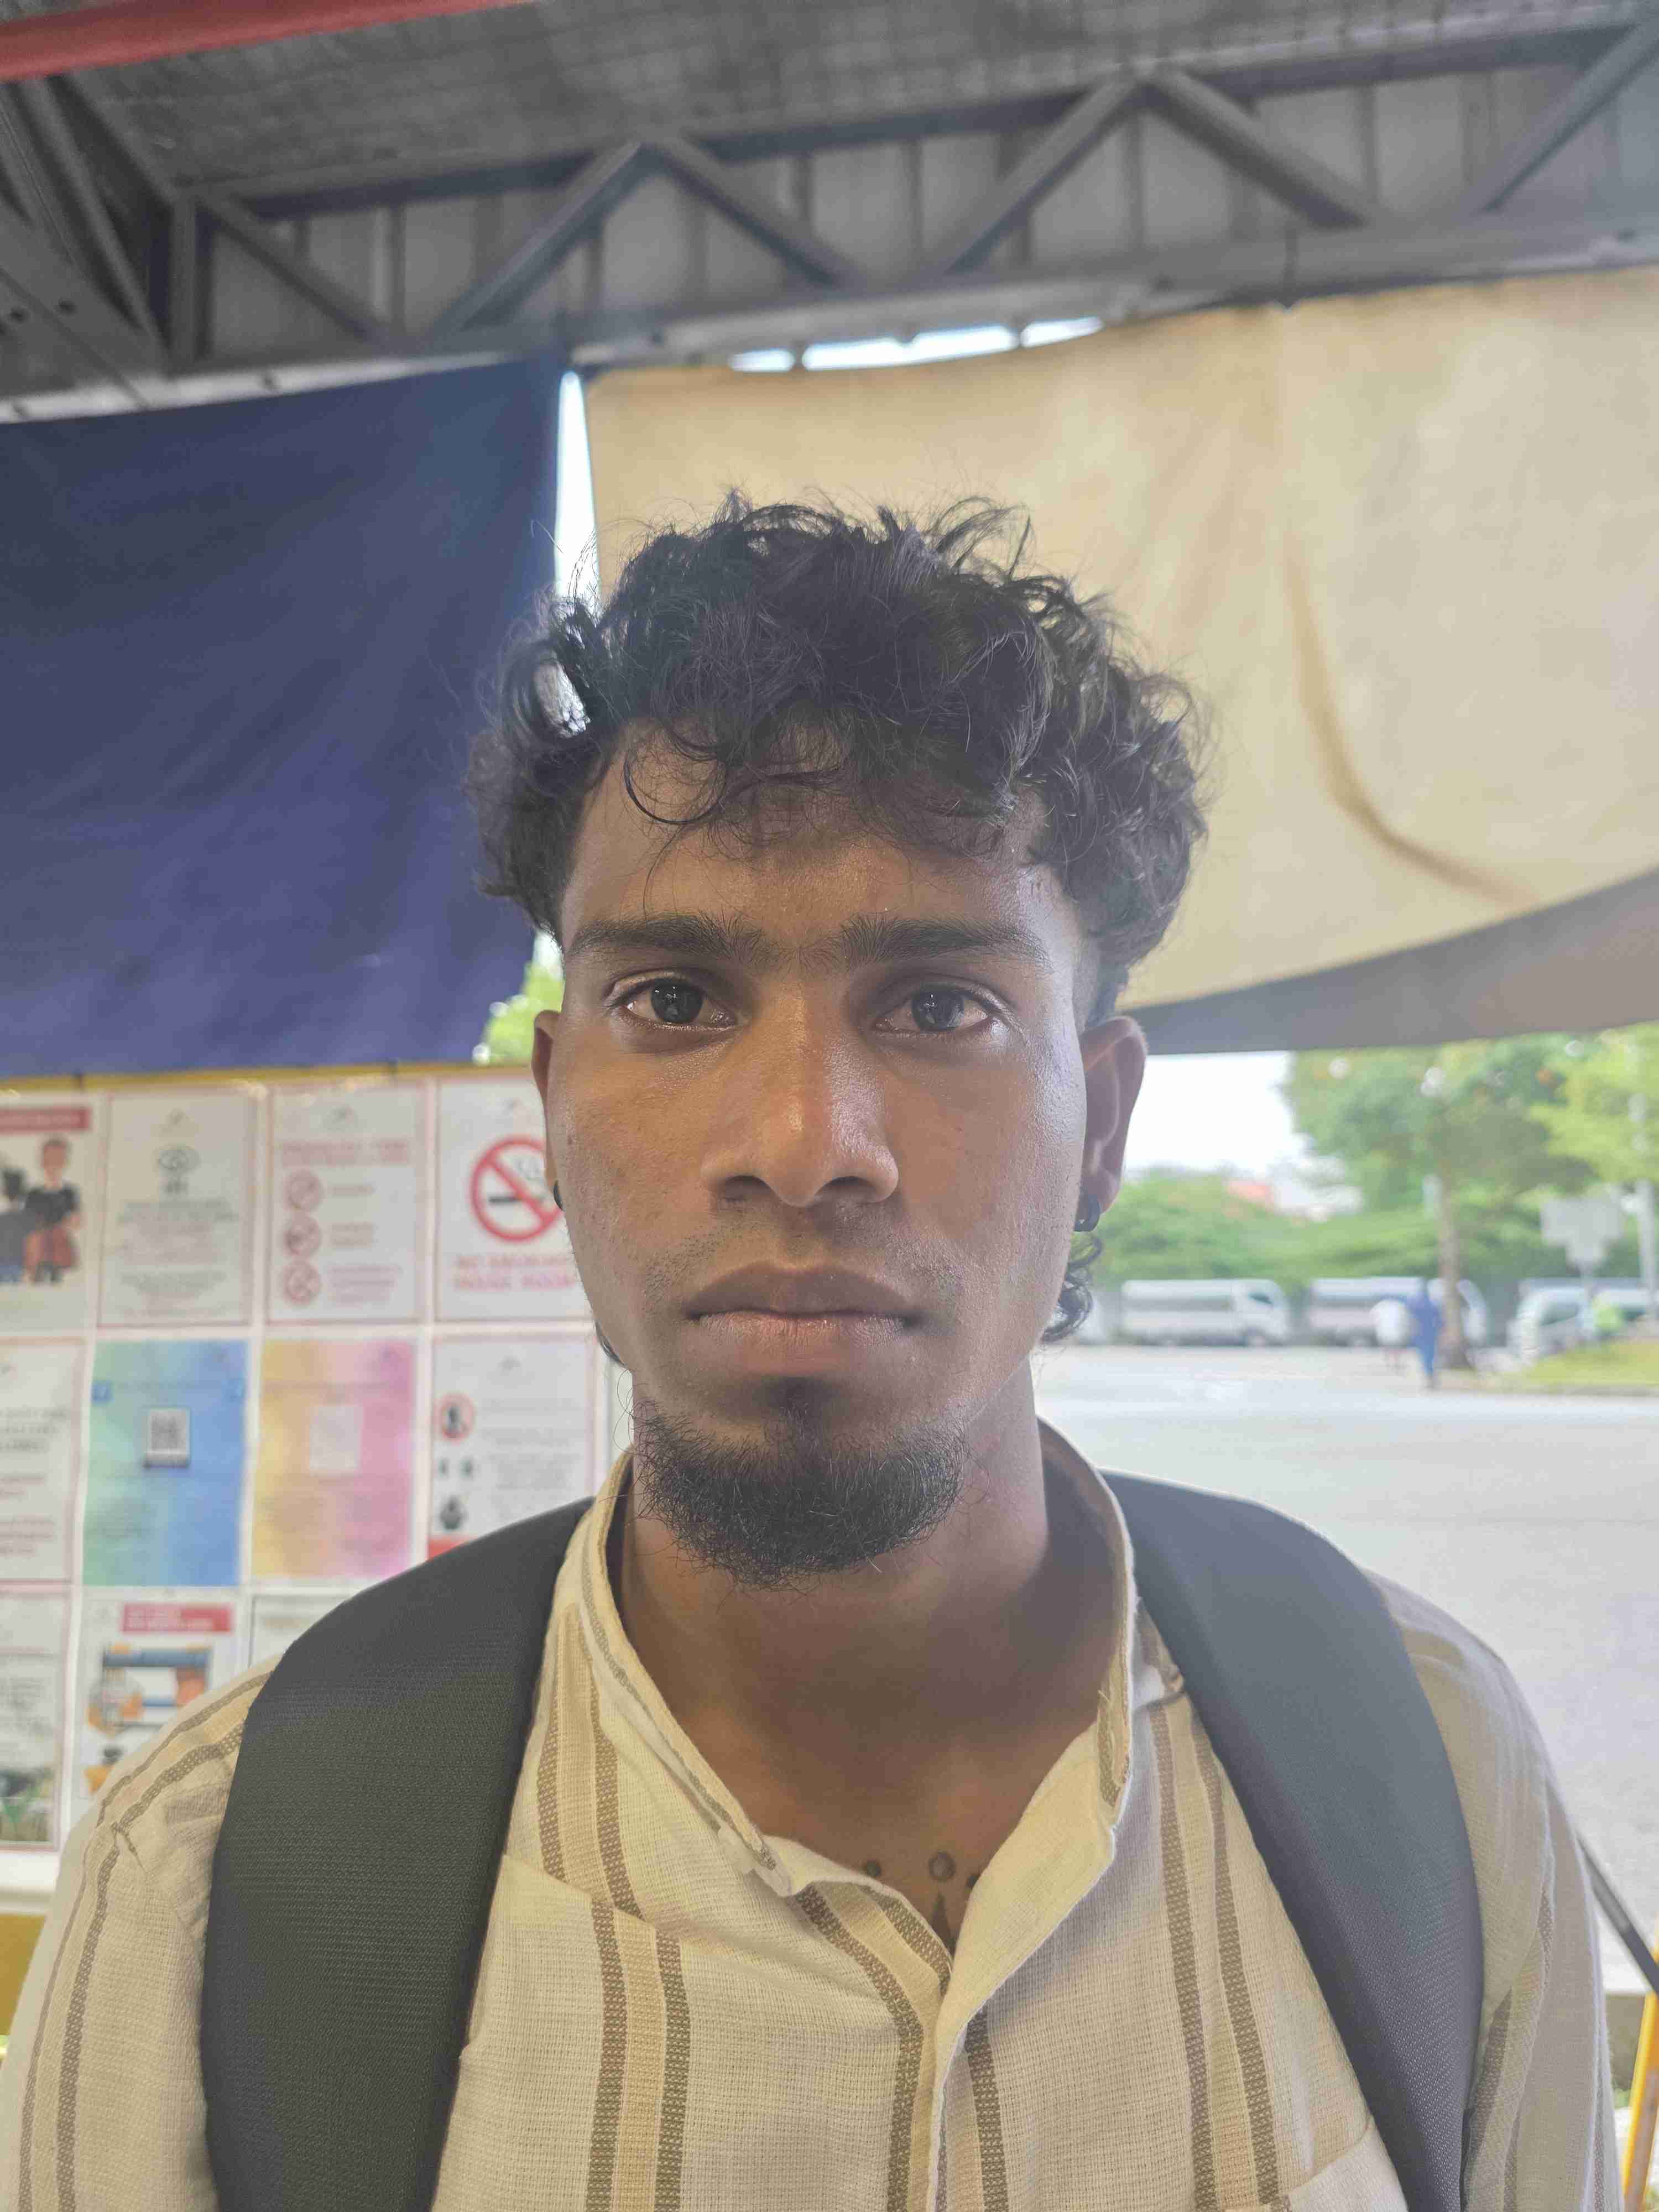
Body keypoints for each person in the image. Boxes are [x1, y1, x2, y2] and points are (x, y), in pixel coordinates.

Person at [1, 497, 1616, 2208]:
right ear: (552, 1106)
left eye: (941, 1006)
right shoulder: (210, 1879)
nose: (801, 1142)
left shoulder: (1428, 1773)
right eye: (673, 1001)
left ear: (1103, 1125)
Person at [20, 1135, 81, 1285]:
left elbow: (77, 1221)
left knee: (57, 1280)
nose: (53, 1166)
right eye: (49, 1160)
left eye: (58, 1160)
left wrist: (65, 1225)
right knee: (37, 1280)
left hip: (59, 1245)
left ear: (64, 1162)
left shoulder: (69, 1192)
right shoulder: (33, 1193)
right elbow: (26, 1222)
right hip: (38, 1245)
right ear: (42, 1161)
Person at [1406, 1276, 1444, 1388]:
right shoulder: (1433, 1303)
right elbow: (1440, 1320)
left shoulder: (1415, 1303)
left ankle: (1429, 1377)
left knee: (1424, 1356)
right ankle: (1431, 1377)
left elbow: (1410, 1319)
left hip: (1420, 1333)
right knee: (1431, 1356)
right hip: (1431, 1333)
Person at [1370, 1291, 1411, 1373]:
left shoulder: (1380, 1306)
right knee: (1397, 1348)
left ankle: (1388, 1363)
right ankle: (1396, 1363)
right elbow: (1405, 1318)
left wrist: (1377, 1326)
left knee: (1387, 1348)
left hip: (1384, 1331)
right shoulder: (1399, 1305)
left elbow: (1374, 1317)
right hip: (1397, 1331)